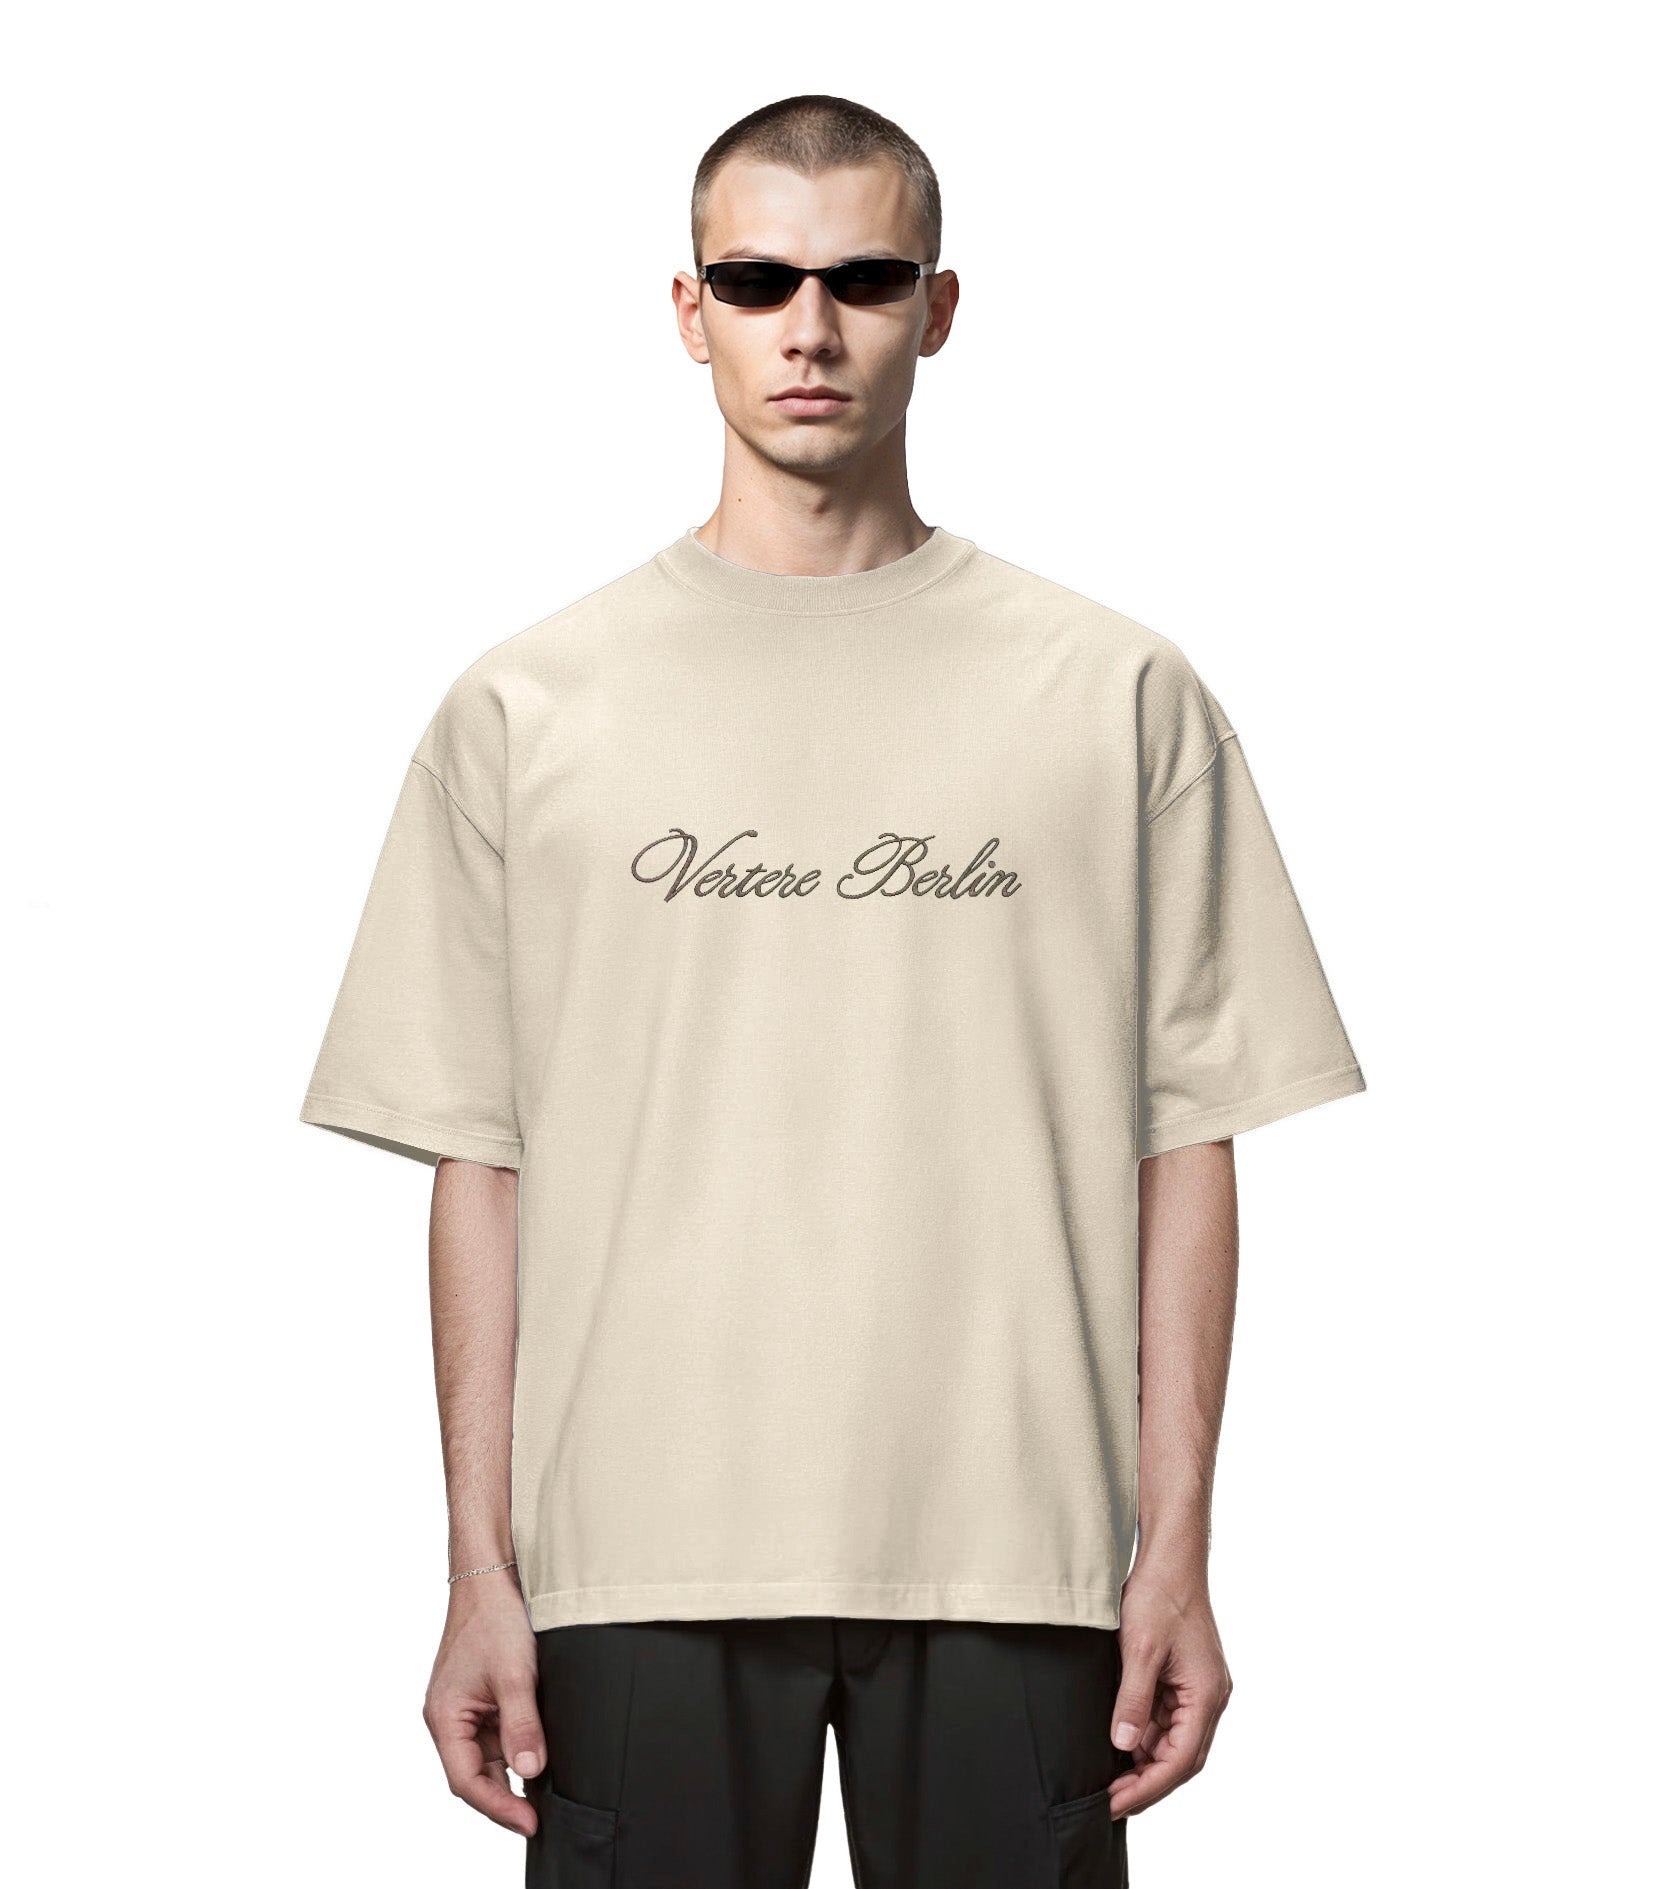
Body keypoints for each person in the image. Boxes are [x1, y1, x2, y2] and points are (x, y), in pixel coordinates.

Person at [300, 93, 1365, 1889]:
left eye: (864, 278)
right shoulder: (527, 708)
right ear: (689, 309)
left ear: (938, 309)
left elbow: (1190, 1136)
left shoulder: (1114, 695)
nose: (810, 326)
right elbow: (480, 1157)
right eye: (758, 280)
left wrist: (1178, 1544)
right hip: (633, 1555)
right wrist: (479, 1565)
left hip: (1016, 1552)